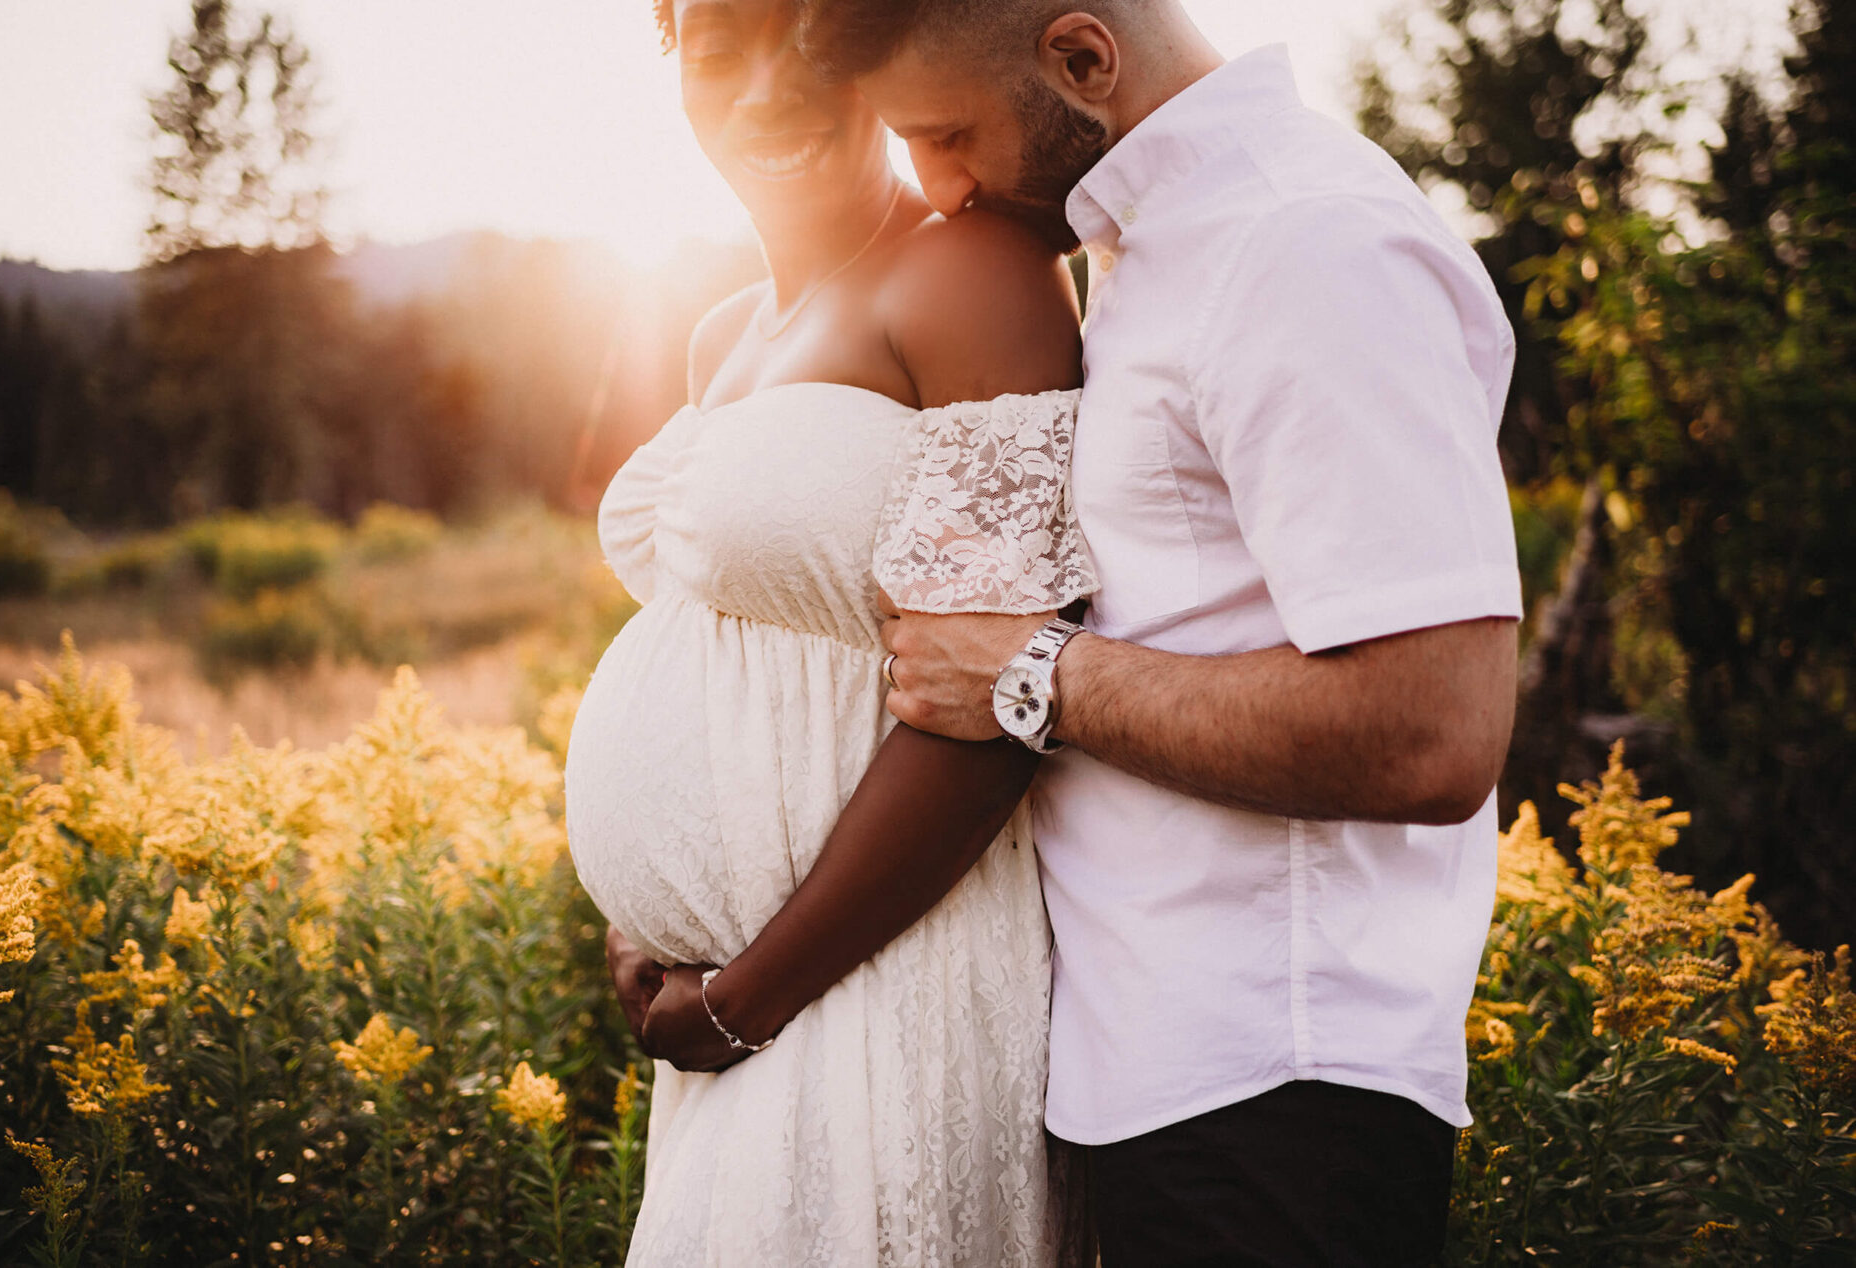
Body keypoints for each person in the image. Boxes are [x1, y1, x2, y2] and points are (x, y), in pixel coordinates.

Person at [637, 2, 1526, 1263]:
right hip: (1144, 1073)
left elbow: (1432, 731)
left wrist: (1028, 672)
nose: (938, 185)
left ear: (1080, 60)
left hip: (1282, 1080)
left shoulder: (1304, 241)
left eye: (945, 134)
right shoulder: (1157, 251)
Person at [563, 0, 1098, 1263]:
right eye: (719, 49)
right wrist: (653, 911)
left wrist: (750, 995)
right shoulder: (719, 332)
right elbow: (724, 662)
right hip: (737, 1000)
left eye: (806, 39)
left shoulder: (972, 275)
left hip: (877, 980)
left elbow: (992, 704)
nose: (766, 91)